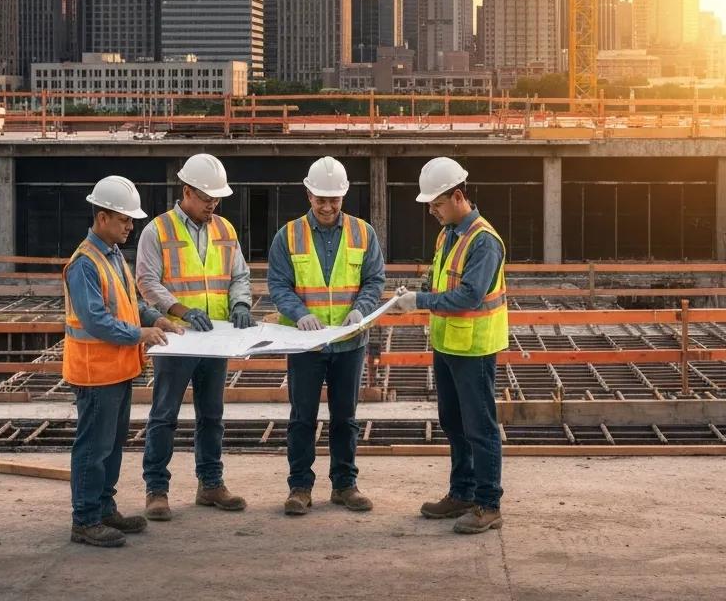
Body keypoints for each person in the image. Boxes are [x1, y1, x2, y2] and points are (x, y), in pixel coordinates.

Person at [64, 174, 183, 547]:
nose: (131, 227)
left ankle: (103, 508)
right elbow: (96, 319)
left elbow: (130, 304)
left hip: (116, 371)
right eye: (125, 220)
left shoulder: (112, 255)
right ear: (103, 218)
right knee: (93, 448)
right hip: (95, 372)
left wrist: (155, 319)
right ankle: (84, 519)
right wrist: (140, 334)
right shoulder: (84, 263)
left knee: (111, 446)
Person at [136, 153, 254, 519]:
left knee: (212, 415)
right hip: (179, 338)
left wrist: (241, 304)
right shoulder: (158, 230)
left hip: (214, 338)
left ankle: (211, 484)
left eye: (217, 199)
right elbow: (146, 280)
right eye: (206, 198)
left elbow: (239, 275)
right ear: (186, 192)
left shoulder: (225, 230)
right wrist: (180, 310)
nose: (212, 205)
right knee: (164, 415)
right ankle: (156, 489)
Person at [393, 156, 507, 534]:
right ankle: (462, 493)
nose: (432, 211)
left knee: (480, 428)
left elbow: (469, 297)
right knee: (454, 424)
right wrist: (416, 293)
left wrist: (420, 303)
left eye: (437, 204)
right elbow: (441, 283)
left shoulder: (483, 241)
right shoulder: (449, 234)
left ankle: (488, 504)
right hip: (447, 346)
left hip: (473, 350)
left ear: (458, 196)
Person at [267, 156, 386, 516]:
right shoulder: (288, 235)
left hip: (349, 343)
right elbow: (278, 284)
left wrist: (360, 310)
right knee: (302, 417)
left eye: (333, 199)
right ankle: (300, 487)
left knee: (345, 417)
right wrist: (300, 314)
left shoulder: (364, 233)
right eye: (321, 198)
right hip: (307, 345)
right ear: (308, 194)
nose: (327, 206)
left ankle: (344, 485)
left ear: (344, 196)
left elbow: (374, 280)